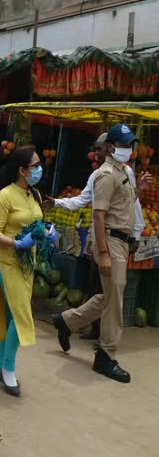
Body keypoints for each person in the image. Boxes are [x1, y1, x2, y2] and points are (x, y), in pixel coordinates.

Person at [52, 125, 151, 383]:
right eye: (125, 145)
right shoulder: (105, 175)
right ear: (111, 148)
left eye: (131, 144)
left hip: (121, 240)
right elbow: (98, 214)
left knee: (109, 297)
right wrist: (104, 253)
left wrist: (137, 188)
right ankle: (105, 356)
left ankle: (66, 321)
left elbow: (125, 203)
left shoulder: (125, 171)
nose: (129, 149)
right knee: (114, 301)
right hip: (110, 241)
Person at [0, 147, 53, 397]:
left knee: (12, 314)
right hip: (8, 262)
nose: (39, 169)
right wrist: (16, 243)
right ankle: (9, 370)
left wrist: (46, 233)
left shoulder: (34, 193)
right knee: (21, 315)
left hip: (29, 263)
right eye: (35, 166)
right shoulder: (5, 195)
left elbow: (35, 222)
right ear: (22, 170)